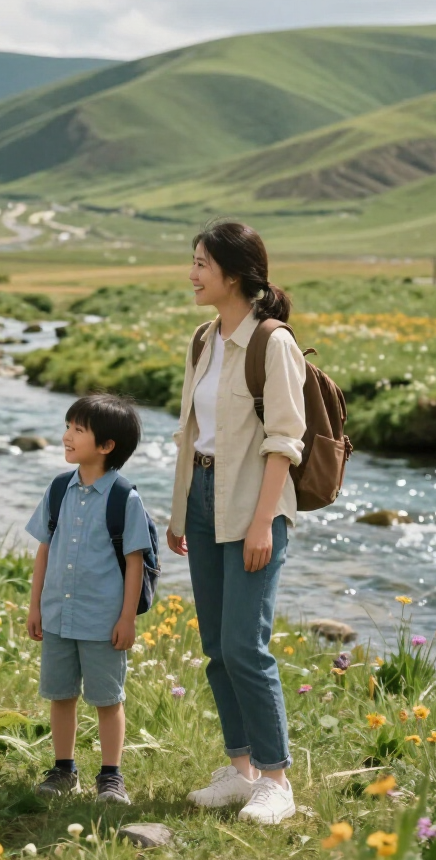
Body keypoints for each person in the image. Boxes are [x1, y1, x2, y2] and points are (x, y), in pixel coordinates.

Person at [166, 220, 306, 825]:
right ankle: (241, 769)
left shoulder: (273, 343)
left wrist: (261, 522)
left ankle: (276, 781)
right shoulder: (202, 339)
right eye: (193, 261)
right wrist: (179, 512)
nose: (192, 273)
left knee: (246, 646)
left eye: (202, 263)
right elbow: (192, 432)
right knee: (217, 648)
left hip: (255, 502)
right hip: (202, 496)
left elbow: (285, 441)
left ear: (235, 274)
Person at [26, 393, 149, 805]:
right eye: (68, 426)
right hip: (59, 615)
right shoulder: (59, 488)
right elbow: (44, 550)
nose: (66, 436)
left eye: (78, 430)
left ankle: (111, 776)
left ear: (106, 446)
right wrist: (35, 606)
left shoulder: (124, 498)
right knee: (60, 695)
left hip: (103, 620)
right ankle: (64, 769)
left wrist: (127, 618)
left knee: (107, 699)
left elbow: (135, 563)